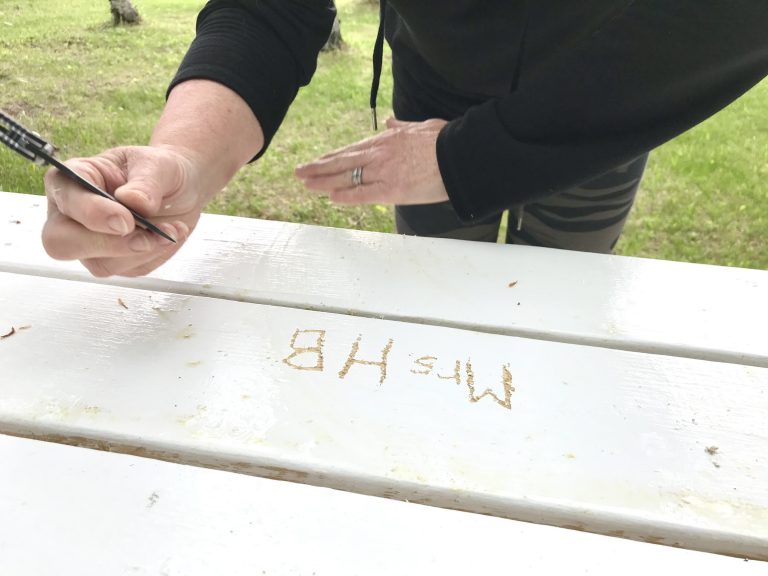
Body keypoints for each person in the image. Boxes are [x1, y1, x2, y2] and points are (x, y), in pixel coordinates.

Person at [42, 1, 768, 277]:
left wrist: (470, 158)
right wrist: (187, 155)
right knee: (434, 288)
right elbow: (270, 8)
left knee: (566, 290)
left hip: (601, 108)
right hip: (428, 96)